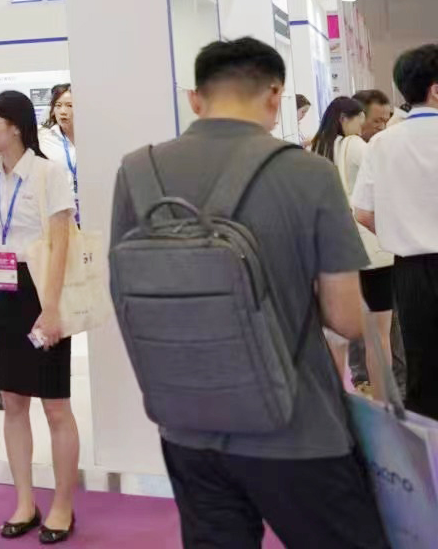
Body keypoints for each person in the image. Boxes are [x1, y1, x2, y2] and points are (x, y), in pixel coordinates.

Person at [114, 38, 382, 548]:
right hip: (297, 427)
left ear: (195, 98)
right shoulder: (309, 173)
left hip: (186, 424)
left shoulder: (137, 171)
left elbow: (124, 294)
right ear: (275, 94)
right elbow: (346, 317)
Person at [353, 42, 438, 515]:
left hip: (409, 272)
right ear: (437, 90)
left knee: (423, 378)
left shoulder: (382, 143)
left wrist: (403, 231)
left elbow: (363, 211)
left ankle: (434, 491)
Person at [0, 90, 79, 543]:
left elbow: (61, 244)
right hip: (4, 292)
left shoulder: (49, 173)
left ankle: (63, 507)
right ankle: (24, 502)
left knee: (55, 404)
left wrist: (51, 309)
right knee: (13, 402)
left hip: (42, 290)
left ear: (15, 127)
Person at [311, 96, 394, 394]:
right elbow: (384, 179)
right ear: (344, 119)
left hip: (334, 250)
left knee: (335, 337)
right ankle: (383, 401)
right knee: (379, 336)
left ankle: (335, 399)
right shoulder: (355, 145)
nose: (361, 128)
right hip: (372, 252)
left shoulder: (318, 148)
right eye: (359, 122)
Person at [39, 85, 78, 201]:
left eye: (69, 105)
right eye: (58, 105)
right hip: (57, 205)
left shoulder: (92, 138)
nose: (63, 112)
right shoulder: (43, 137)